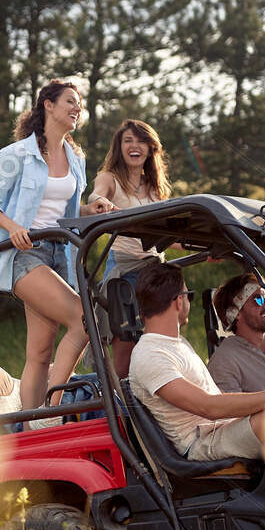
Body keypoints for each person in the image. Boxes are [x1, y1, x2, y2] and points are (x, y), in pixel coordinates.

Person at [0, 79, 99, 414]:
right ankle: (52, 410)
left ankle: (30, 430)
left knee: (40, 353)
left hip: (61, 254)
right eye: (70, 101)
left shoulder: (75, 159)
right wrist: (12, 226)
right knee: (85, 319)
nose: (77, 108)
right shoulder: (17, 155)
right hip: (25, 254)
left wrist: (89, 211)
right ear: (48, 104)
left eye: (80, 104)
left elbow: (61, 211)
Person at [126, 263, 265, 463]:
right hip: (204, 443)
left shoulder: (175, 344)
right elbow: (208, 407)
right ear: (178, 301)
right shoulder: (150, 355)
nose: (188, 302)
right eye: (188, 295)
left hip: (221, 429)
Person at [85, 119, 172, 379]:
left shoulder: (155, 186)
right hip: (126, 272)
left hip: (157, 272)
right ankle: (123, 410)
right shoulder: (109, 178)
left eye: (141, 140)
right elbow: (96, 195)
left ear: (150, 148)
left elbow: (167, 237)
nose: (135, 146)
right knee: (126, 349)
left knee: (161, 344)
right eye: (128, 140)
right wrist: (100, 202)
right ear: (119, 146)